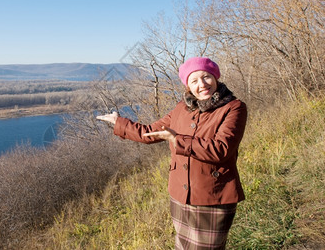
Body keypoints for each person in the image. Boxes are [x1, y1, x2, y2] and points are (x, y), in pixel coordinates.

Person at [97, 57, 247, 249]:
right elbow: (150, 132)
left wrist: (177, 139)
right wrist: (119, 122)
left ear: (215, 77)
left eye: (206, 77)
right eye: (194, 81)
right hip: (180, 195)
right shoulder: (181, 108)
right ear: (188, 86)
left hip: (212, 196)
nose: (202, 84)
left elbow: (221, 149)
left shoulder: (233, 107)